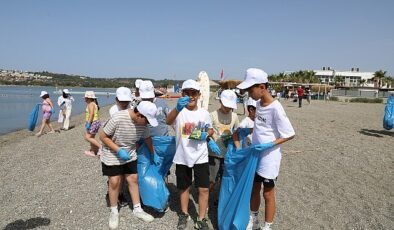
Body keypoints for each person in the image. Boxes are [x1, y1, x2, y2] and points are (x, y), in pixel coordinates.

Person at [234, 68, 295, 230]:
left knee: (267, 193)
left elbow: (290, 133)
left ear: (262, 87)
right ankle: (254, 220)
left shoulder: (276, 108)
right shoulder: (259, 104)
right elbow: (262, 126)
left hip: (269, 158)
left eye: (250, 89)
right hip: (255, 154)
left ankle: (267, 227)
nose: (249, 93)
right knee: (254, 188)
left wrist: (270, 144)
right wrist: (249, 131)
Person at [166, 79, 220, 230]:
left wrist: (206, 135)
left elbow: (210, 129)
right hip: (182, 156)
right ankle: (184, 214)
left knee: (203, 188)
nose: (191, 96)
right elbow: (167, 121)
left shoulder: (204, 113)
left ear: (199, 95)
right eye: (187, 93)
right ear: (182, 94)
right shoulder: (179, 111)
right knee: (184, 188)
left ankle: (201, 219)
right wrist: (176, 108)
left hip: (201, 156)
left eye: (194, 93)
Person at [100, 100, 158, 229]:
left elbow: (147, 138)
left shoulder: (143, 124)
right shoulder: (119, 117)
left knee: (133, 179)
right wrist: (118, 150)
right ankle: (114, 211)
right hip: (112, 153)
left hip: (130, 153)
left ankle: (137, 209)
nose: (148, 124)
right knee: (114, 181)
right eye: (147, 120)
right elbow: (103, 136)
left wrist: (154, 154)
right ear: (139, 115)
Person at [208, 89, 239, 207]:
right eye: (226, 105)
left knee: (224, 178)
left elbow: (237, 132)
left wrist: (237, 149)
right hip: (214, 153)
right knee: (211, 179)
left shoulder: (234, 116)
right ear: (220, 101)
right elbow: (207, 131)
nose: (228, 109)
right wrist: (210, 142)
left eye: (230, 107)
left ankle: (219, 199)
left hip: (227, 154)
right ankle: (205, 199)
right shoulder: (212, 115)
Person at [84, 91, 101, 157]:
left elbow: (91, 114)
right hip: (95, 122)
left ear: (88, 98)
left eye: (85, 97)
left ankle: (101, 148)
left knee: (87, 137)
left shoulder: (91, 104)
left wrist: (88, 123)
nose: (84, 99)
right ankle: (94, 151)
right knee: (91, 138)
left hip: (93, 122)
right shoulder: (94, 103)